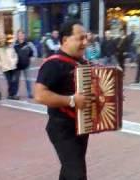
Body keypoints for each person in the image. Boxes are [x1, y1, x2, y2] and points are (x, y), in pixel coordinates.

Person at [34, 20, 90, 180]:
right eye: (80, 38)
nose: (85, 42)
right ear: (65, 39)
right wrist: (72, 100)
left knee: (70, 170)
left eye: (86, 38)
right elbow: (39, 95)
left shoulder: (82, 63)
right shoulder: (53, 64)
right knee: (77, 174)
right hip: (62, 128)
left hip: (81, 125)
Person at [14, 30, 37, 99]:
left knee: (28, 80)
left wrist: (32, 58)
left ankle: (29, 93)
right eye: (19, 34)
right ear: (17, 36)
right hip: (17, 65)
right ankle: (16, 93)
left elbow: (34, 51)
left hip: (26, 65)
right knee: (16, 80)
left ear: (24, 35)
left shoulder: (28, 44)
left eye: (22, 34)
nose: (20, 36)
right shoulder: (14, 44)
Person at [0, 34, 20, 100]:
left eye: (3, 38)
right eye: (0, 38)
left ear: (5, 39)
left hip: (12, 66)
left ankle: (12, 95)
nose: (2, 39)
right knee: (9, 81)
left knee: (14, 81)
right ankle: (11, 94)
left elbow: (15, 55)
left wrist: (14, 61)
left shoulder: (10, 46)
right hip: (5, 68)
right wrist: (2, 65)